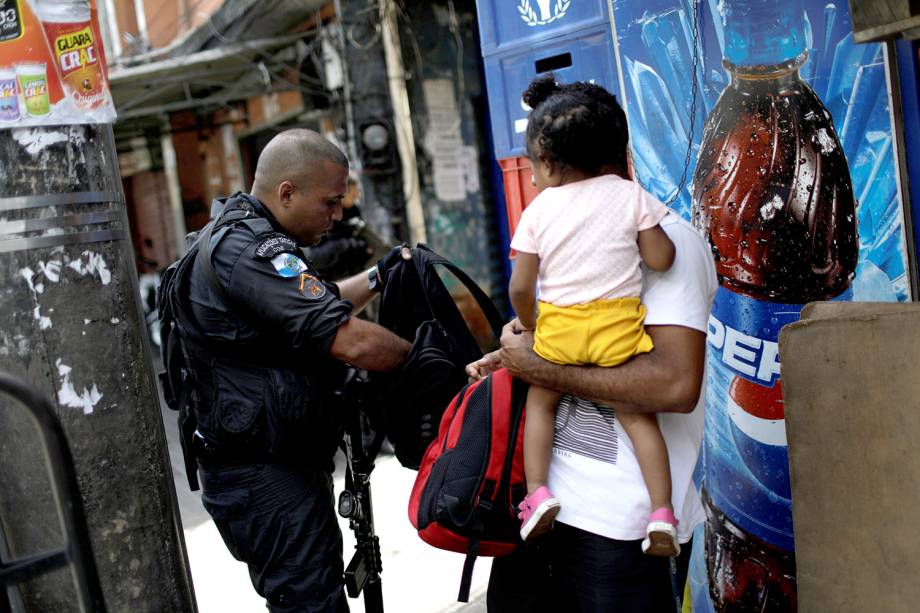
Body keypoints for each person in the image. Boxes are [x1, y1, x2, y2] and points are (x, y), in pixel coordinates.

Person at [467, 97, 718, 613]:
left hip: (621, 525)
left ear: (551, 160)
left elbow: (674, 384)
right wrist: (512, 351)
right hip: (547, 510)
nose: (534, 180)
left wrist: (538, 365)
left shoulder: (673, 241)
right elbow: (554, 318)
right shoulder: (568, 225)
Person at [172, 128, 411, 612]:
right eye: (330, 202)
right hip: (263, 472)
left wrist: (380, 275)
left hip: (271, 460)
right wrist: (427, 357)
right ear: (287, 193)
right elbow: (349, 339)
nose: (338, 214)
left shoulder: (245, 236)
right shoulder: (250, 251)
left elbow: (314, 306)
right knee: (310, 604)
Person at [505, 76, 679, 555]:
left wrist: (532, 322)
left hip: (559, 333)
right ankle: (661, 512)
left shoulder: (538, 211)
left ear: (548, 162)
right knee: (638, 419)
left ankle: (538, 493)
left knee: (541, 403)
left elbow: (520, 286)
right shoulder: (628, 195)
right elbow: (662, 258)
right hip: (617, 333)